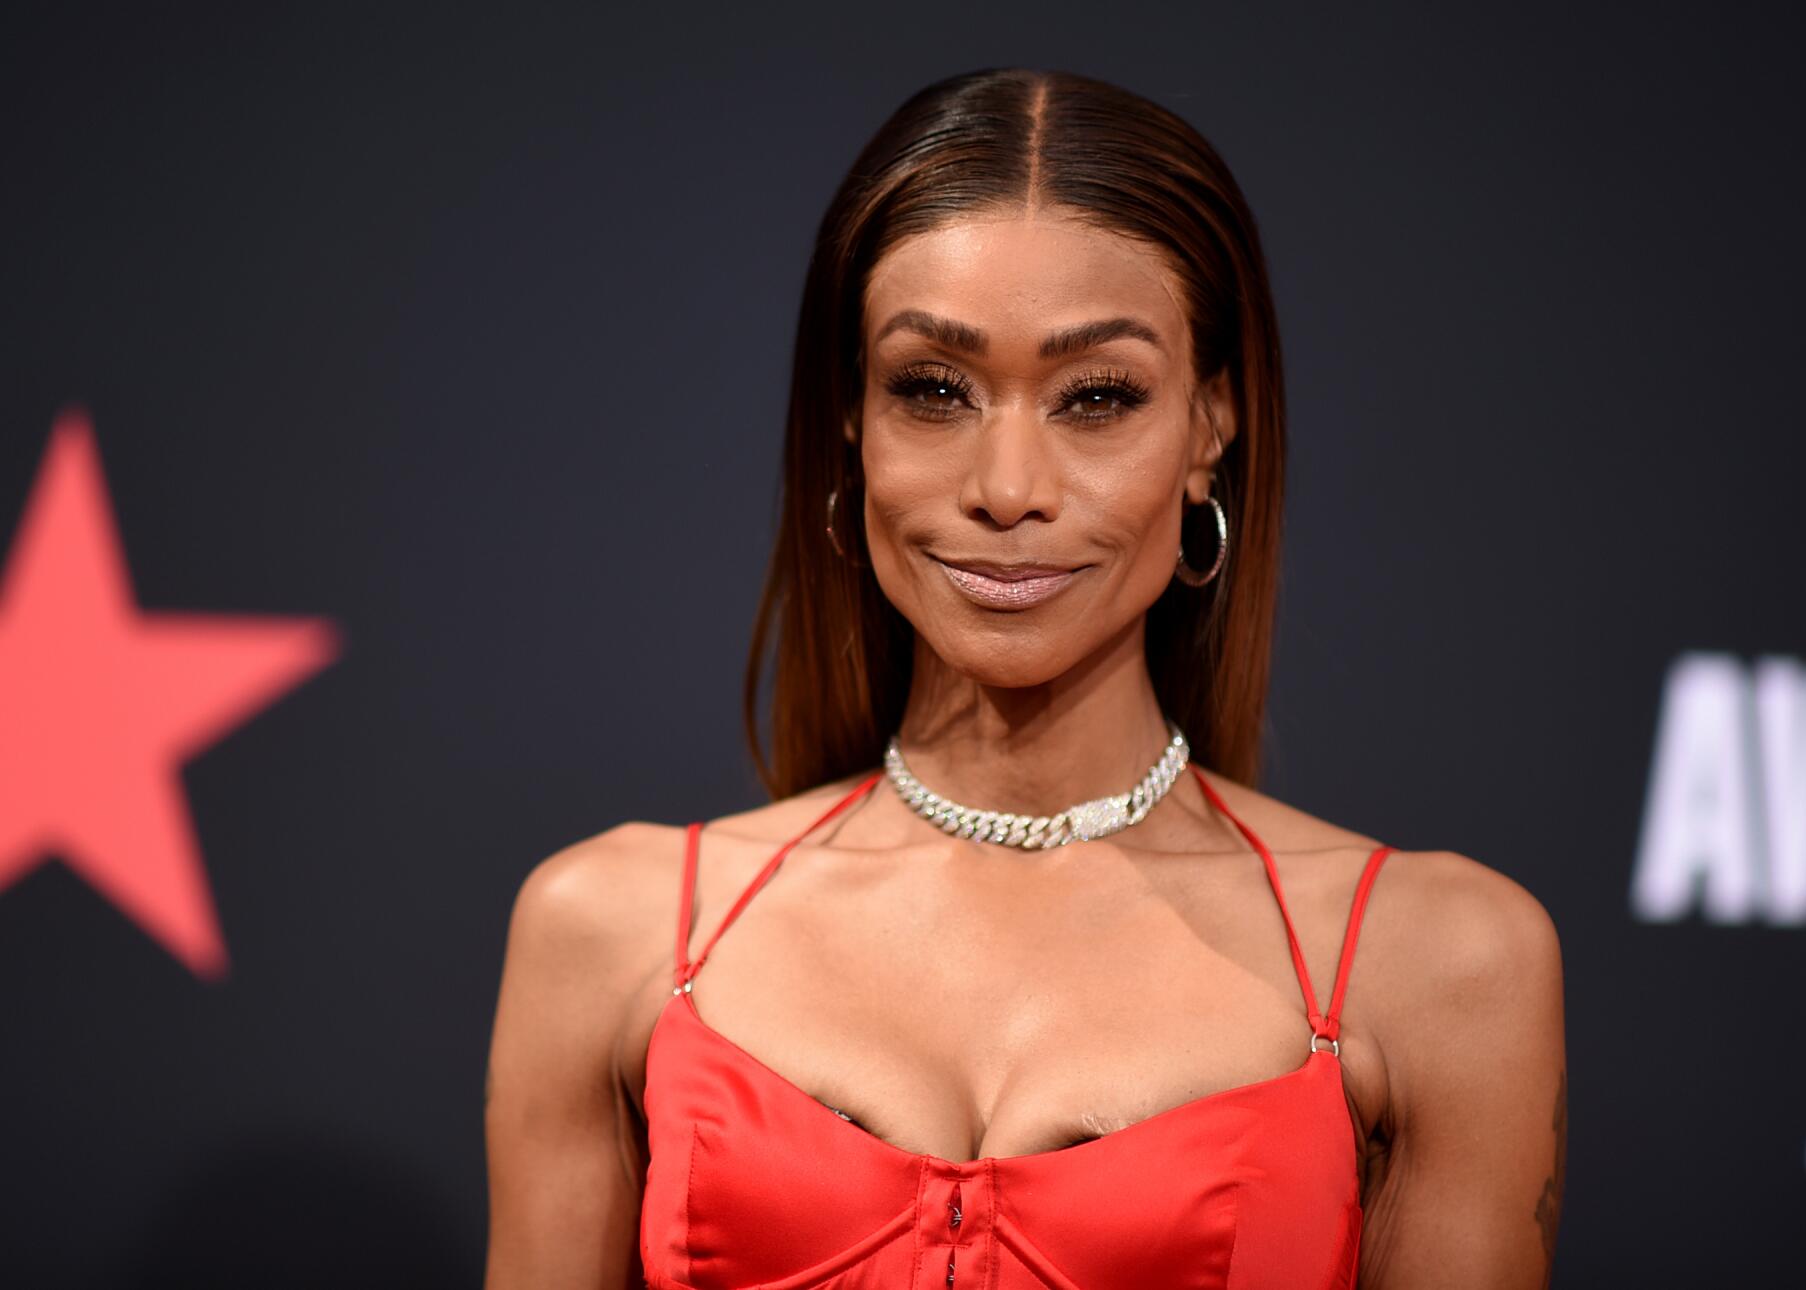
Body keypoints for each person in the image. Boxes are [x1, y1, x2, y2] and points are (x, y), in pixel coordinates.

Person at [484, 66, 1566, 1290]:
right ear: (851, 421)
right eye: (932, 392)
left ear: (1211, 426)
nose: (1007, 486)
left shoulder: (1437, 963)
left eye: (1096, 397)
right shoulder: (613, 930)